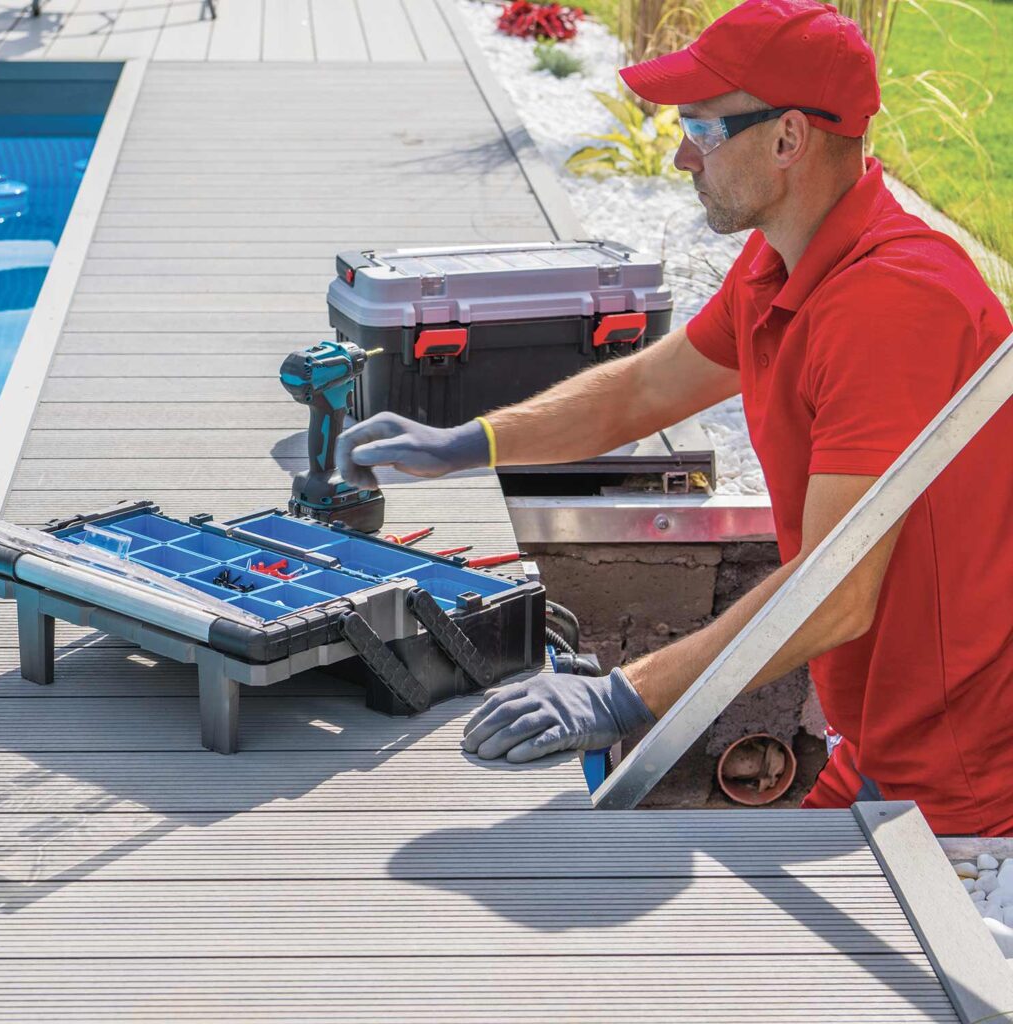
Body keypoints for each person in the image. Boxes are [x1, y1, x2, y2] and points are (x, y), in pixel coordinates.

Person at [336, 0, 1013, 836]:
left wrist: (621, 698)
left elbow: (836, 594)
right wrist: (467, 444)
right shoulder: (784, 262)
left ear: (788, 138)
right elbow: (642, 392)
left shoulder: (891, 306)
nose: (681, 154)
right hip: (876, 741)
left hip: (963, 784)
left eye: (701, 127)